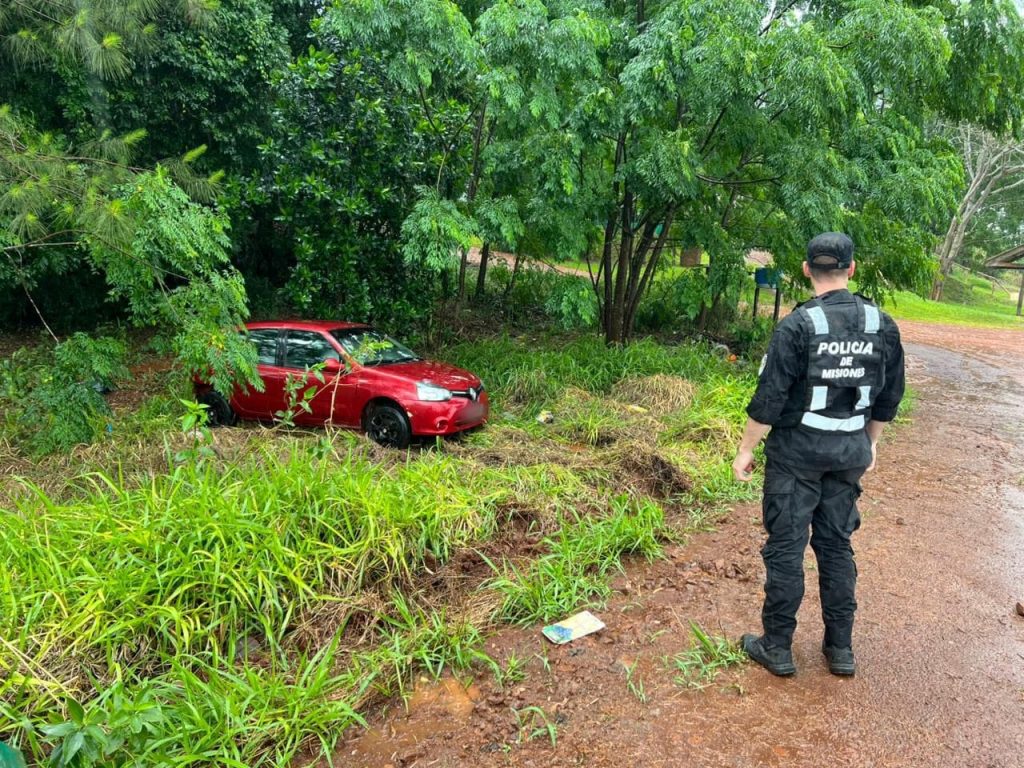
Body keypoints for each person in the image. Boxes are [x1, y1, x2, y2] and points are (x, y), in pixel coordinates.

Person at [732, 232, 905, 677]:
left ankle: (777, 647)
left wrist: (745, 450)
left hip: (796, 455)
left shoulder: (797, 325)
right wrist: (870, 445)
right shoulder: (881, 324)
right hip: (848, 452)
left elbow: (768, 399)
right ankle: (840, 650)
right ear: (851, 268)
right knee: (836, 546)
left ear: (807, 269)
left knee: (787, 547)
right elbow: (889, 396)